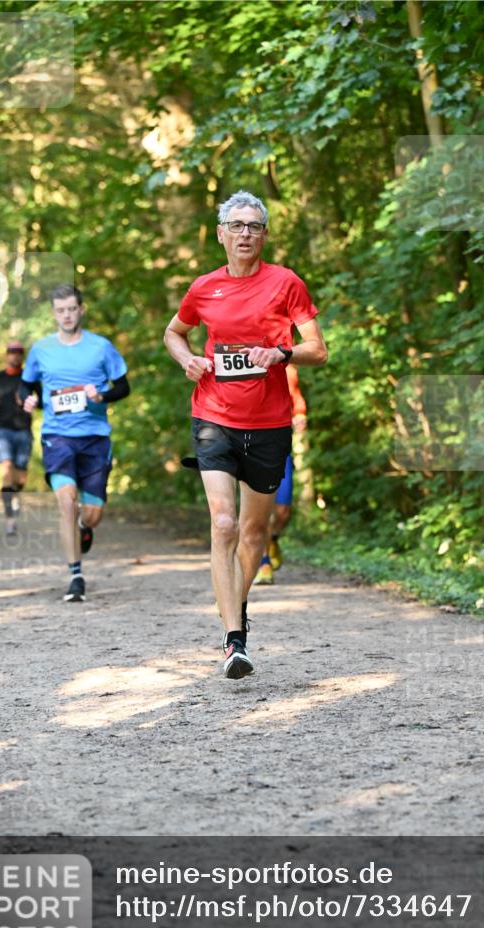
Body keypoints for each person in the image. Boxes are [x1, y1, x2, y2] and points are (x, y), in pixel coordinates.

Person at [163, 190, 327, 679]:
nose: (245, 234)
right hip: (213, 416)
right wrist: (187, 359)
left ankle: (237, 603)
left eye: (254, 226)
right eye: (236, 225)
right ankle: (234, 639)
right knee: (224, 524)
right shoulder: (203, 288)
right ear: (221, 234)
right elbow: (174, 332)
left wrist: (282, 354)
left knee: (255, 533)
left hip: (269, 422)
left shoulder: (286, 283)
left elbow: (318, 350)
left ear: (265, 235)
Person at [19, 285, 130, 602]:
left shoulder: (101, 347)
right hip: (57, 436)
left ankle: (84, 524)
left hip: (95, 438)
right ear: (54, 314)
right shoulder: (41, 349)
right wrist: (28, 400)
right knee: (66, 501)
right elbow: (25, 386)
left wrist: (102, 396)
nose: (66, 315)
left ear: (81, 310)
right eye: (60, 310)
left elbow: (123, 386)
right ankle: (76, 576)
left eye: (71, 309)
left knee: (92, 514)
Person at [253, 364, 307, 585]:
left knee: (283, 511)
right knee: (262, 510)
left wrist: (300, 414)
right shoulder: (238, 360)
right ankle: (264, 563)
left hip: (279, 445)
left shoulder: (286, 368)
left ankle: (273, 539)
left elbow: (296, 397)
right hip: (252, 447)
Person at [0, 342, 39, 535]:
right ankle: (10, 518)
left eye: (19, 353)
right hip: (2, 430)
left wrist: (34, 402)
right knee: (7, 468)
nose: (15, 356)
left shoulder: (29, 379)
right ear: (7, 355)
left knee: (21, 476)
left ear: (22, 356)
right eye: (12, 352)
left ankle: (14, 495)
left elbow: (42, 401)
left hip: (23, 430)